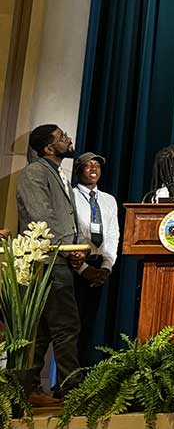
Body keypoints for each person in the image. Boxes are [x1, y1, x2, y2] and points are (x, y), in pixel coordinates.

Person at [17, 125, 83, 405]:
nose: (68, 139)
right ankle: (73, 391)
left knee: (44, 329)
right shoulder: (35, 173)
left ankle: (30, 390)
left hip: (59, 259)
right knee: (66, 326)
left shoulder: (56, 174)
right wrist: (69, 250)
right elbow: (40, 217)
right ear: (47, 148)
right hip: (48, 260)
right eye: (62, 137)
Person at [71, 152, 120, 368]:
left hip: (100, 267)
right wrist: (83, 268)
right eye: (87, 165)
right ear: (78, 170)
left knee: (91, 324)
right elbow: (69, 232)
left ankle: (86, 373)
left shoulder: (108, 200)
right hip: (75, 265)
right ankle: (67, 378)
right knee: (73, 325)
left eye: (97, 165)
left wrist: (107, 267)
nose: (93, 168)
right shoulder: (69, 196)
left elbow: (113, 234)